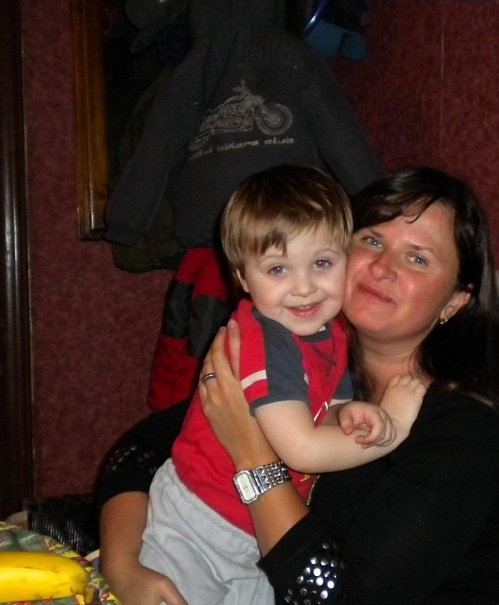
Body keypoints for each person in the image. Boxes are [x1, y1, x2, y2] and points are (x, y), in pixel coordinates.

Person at [96, 167, 499, 605]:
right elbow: (140, 449)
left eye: (418, 258)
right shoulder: (303, 352)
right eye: (372, 241)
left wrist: (252, 455)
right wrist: (123, 565)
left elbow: (344, 599)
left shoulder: (465, 430)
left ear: (455, 301)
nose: (382, 267)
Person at [139, 164, 424, 605]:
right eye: (277, 269)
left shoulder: (330, 333)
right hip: (198, 522)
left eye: (322, 263)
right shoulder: (266, 340)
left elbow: (320, 411)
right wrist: (396, 427)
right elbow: (301, 450)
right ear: (242, 278)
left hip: (258, 526)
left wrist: (349, 413)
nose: (304, 288)